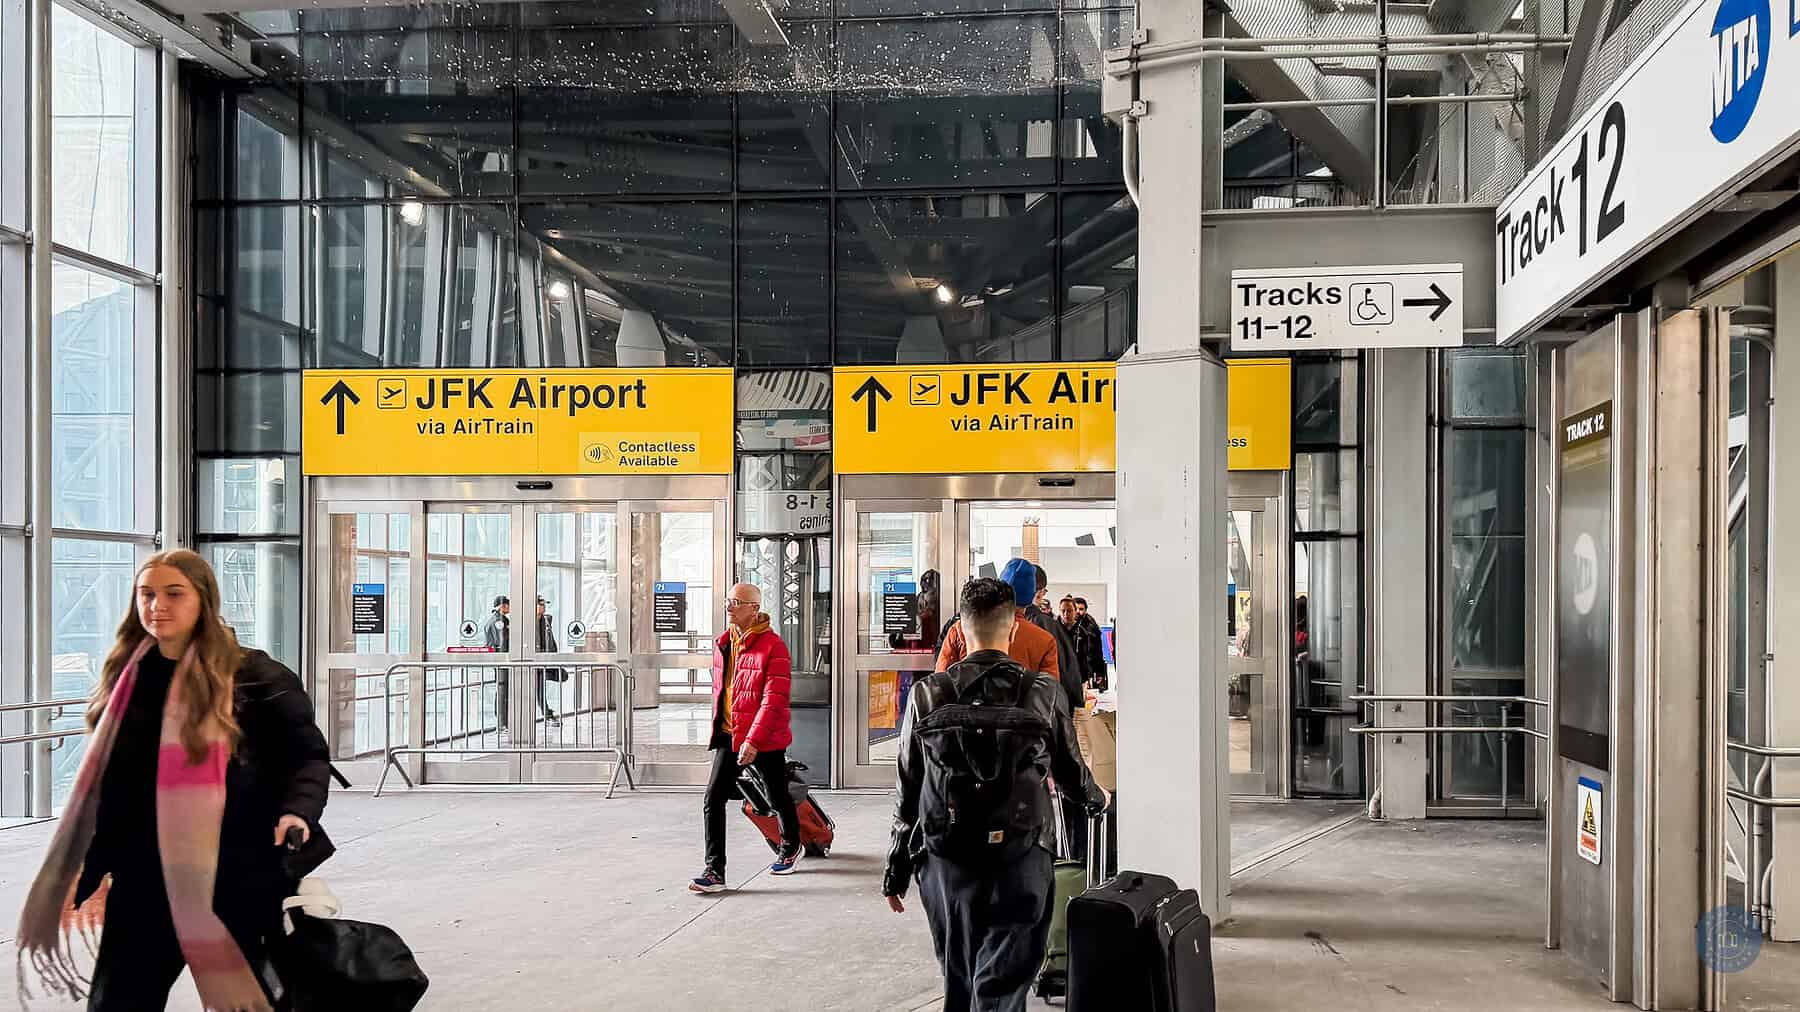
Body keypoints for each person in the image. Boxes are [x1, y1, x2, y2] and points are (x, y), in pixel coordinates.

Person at [16, 549, 331, 1012]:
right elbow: (113, 789)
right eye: (146, 594)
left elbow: (307, 756)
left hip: (235, 870)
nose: (156, 605)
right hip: (142, 875)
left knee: (250, 1000)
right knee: (118, 1002)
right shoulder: (127, 678)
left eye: (173, 594)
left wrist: (296, 812)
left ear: (203, 599)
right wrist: (90, 865)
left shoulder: (253, 676)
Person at [882, 577, 1107, 1012]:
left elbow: (908, 786)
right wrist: (1096, 800)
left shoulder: (929, 693)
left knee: (960, 977)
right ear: (1013, 628)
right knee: (1005, 982)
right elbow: (1070, 771)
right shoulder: (1042, 692)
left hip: (946, 856)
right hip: (1022, 853)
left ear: (961, 629)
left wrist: (896, 866)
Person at [691, 583, 804, 894]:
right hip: (730, 734)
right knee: (713, 798)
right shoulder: (724, 643)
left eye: (737, 602)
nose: (729, 607)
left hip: (764, 736)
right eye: (728, 601)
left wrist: (753, 741)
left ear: (754, 608)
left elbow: (773, 700)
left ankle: (791, 846)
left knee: (776, 796)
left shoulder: (773, 646)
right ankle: (715, 870)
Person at [934, 559, 1060, 685]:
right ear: (1032, 595)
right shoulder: (1045, 641)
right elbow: (1050, 691)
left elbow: (940, 683)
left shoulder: (960, 629)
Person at [1021, 563, 1082, 717]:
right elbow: (1066, 673)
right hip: (1042, 712)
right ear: (1039, 593)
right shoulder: (1046, 626)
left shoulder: (994, 625)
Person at [483, 595, 512, 738]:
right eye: (508, 605)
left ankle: (503, 722)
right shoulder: (498, 622)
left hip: (501, 661)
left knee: (503, 690)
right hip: (502, 661)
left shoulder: (499, 620)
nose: (510, 607)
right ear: (502, 606)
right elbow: (502, 642)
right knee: (502, 691)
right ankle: (502, 724)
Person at [535, 597, 561, 727]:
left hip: (542, 661)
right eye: (540, 604)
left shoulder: (546, 620)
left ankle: (547, 715)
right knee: (536, 690)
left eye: (544, 604)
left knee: (540, 689)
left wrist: (553, 655)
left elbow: (550, 639)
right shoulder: (527, 621)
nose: (543, 607)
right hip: (530, 661)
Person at [1072, 597, 1109, 691]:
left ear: (1085, 610)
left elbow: (1098, 651)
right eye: (1076, 608)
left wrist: (1100, 673)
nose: (1078, 611)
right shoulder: (1067, 625)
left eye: (1081, 609)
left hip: (1089, 669)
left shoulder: (1091, 626)